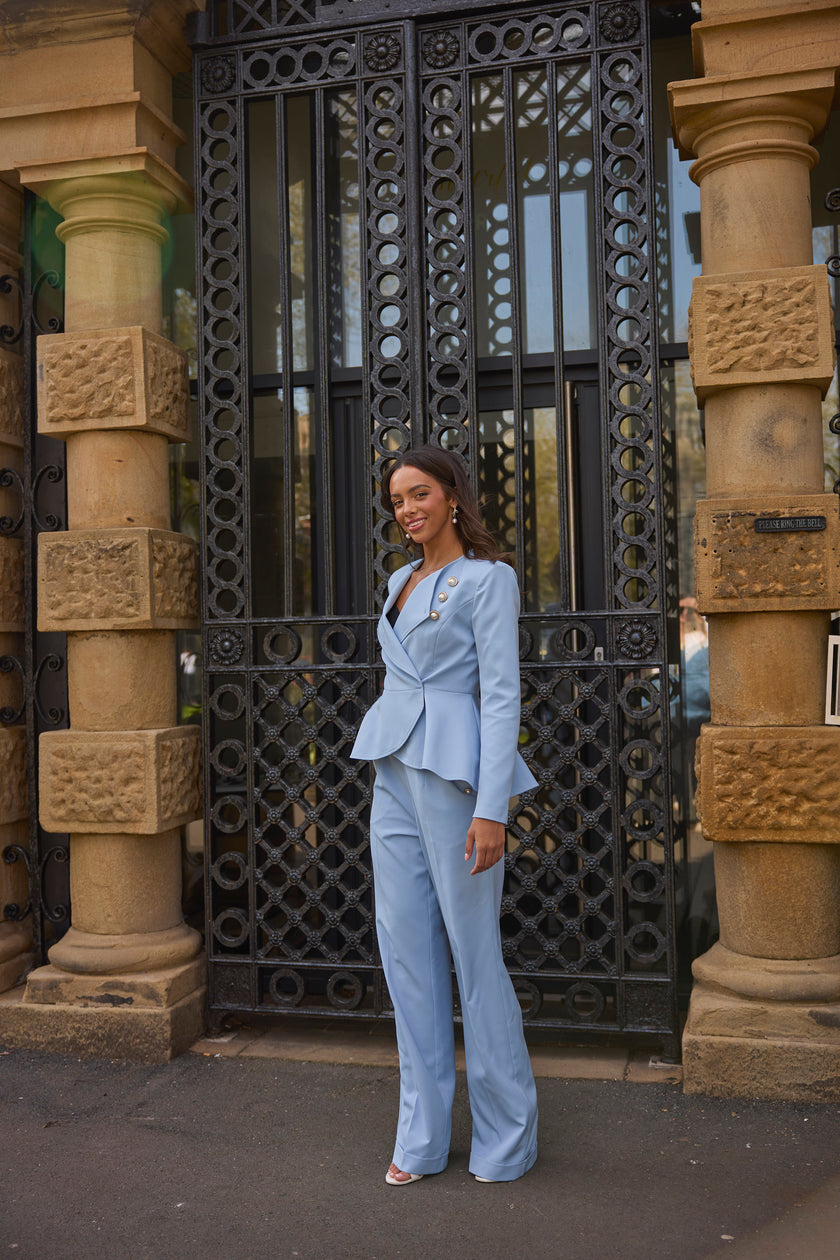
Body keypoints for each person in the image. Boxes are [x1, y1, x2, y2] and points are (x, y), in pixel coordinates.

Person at [351, 444, 539, 1187]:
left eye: (420, 493)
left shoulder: (489, 581)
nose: (407, 509)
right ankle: (423, 1138)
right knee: (407, 961)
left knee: (473, 956)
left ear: (453, 496)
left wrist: (492, 810)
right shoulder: (400, 580)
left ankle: (507, 1138)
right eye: (398, 499)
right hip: (391, 773)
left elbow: (502, 697)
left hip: (456, 779)